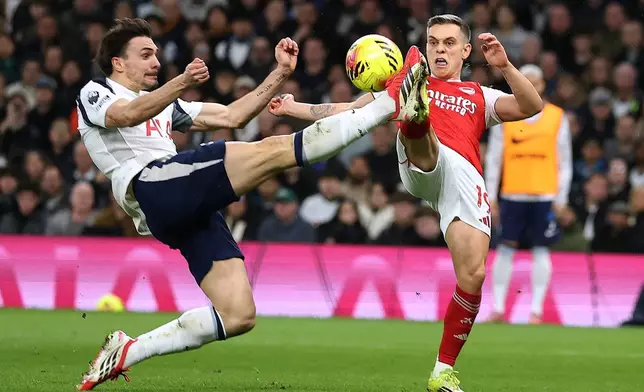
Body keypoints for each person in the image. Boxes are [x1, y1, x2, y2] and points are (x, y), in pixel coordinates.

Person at [75, 18, 429, 390]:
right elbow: (126, 115)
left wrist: (280, 73)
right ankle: (390, 103)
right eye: (146, 55)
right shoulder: (96, 92)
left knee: (238, 313)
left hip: (177, 206)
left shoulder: (166, 106)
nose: (156, 62)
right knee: (274, 152)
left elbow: (233, 115)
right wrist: (182, 81)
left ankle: (128, 351)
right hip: (152, 185)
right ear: (117, 62)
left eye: (156, 55)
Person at [269, 14, 543, 392]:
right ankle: (416, 117)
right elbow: (349, 110)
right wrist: (294, 108)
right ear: (426, 46)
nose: (439, 49)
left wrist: (505, 66)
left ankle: (442, 372)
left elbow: (532, 106)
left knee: (474, 275)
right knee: (418, 125)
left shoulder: (481, 96)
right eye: (433, 42)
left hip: (464, 178)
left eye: (448, 43)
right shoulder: (409, 79)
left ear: (465, 50)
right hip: (424, 158)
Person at [485, 65, 572, 325]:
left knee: (541, 249)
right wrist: (491, 195)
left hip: (544, 194)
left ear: (543, 85)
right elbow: (494, 159)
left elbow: (564, 162)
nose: (532, 86)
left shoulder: (557, 117)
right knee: (505, 249)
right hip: (513, 193)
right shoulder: (507, 115)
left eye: (535, 82)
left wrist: (562, 198)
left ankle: (536, 311)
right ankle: (498, 309)